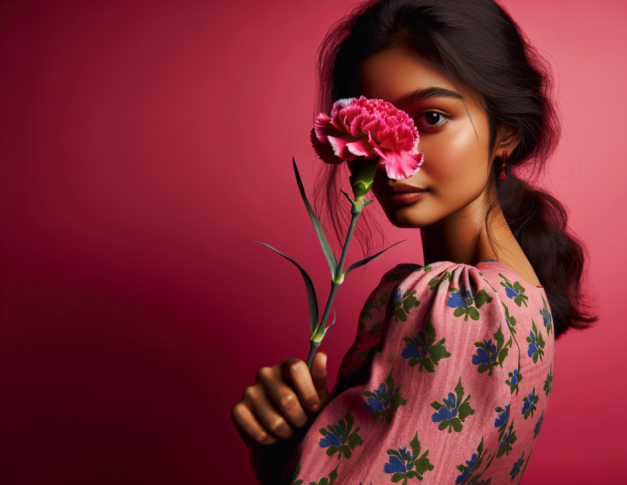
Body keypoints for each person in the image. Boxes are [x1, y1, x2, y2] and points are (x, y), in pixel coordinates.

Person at [231, 0, 595, 483]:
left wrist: (284, 463)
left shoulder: (458, 308)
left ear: (505, 132)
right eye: (372, 121)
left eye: (431, 119)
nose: (390, 151)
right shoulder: (516, 297)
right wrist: (294, 446)